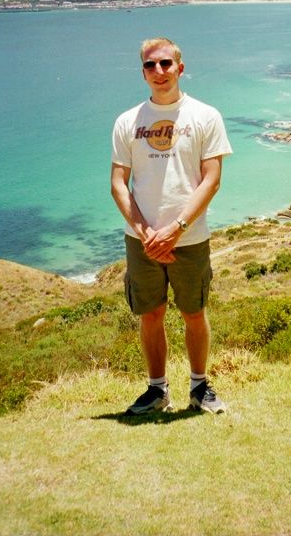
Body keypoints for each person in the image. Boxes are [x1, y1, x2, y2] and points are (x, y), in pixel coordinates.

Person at [111, 37, 232, 415]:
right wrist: (145, 232)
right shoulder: (127, 122)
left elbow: (212, 179)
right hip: (142, 240)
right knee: (150, 314)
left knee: (194, 312)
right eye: (150, 65)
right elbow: (118, 184)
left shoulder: (205, 116)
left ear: (180, 67)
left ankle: (199, 387)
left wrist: (176, 228)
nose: (158, 71)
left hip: (189, 237)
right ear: (143, 72)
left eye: (165, 63)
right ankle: (157, 390)